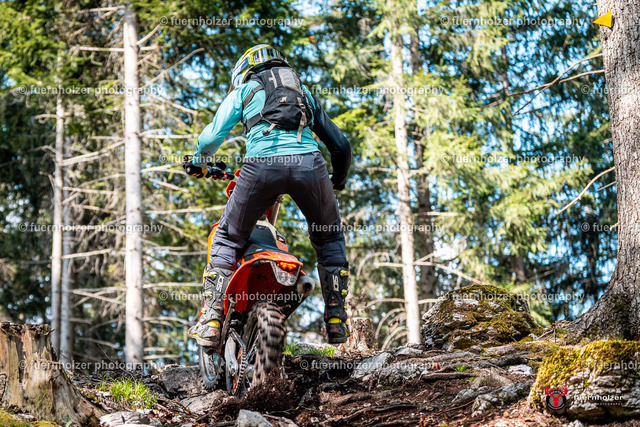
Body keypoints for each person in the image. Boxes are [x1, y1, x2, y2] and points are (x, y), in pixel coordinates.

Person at [183, 44, 352, 348]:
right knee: (329, 237)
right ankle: (336, 319)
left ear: (245, 70)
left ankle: (211, 320)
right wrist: (336, 181)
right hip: (310, 167)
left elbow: (211, 137)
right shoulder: (304, 94)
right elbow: (341, 146)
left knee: (227, 238)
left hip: (261, 167)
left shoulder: (246, 90)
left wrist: (199, 161)